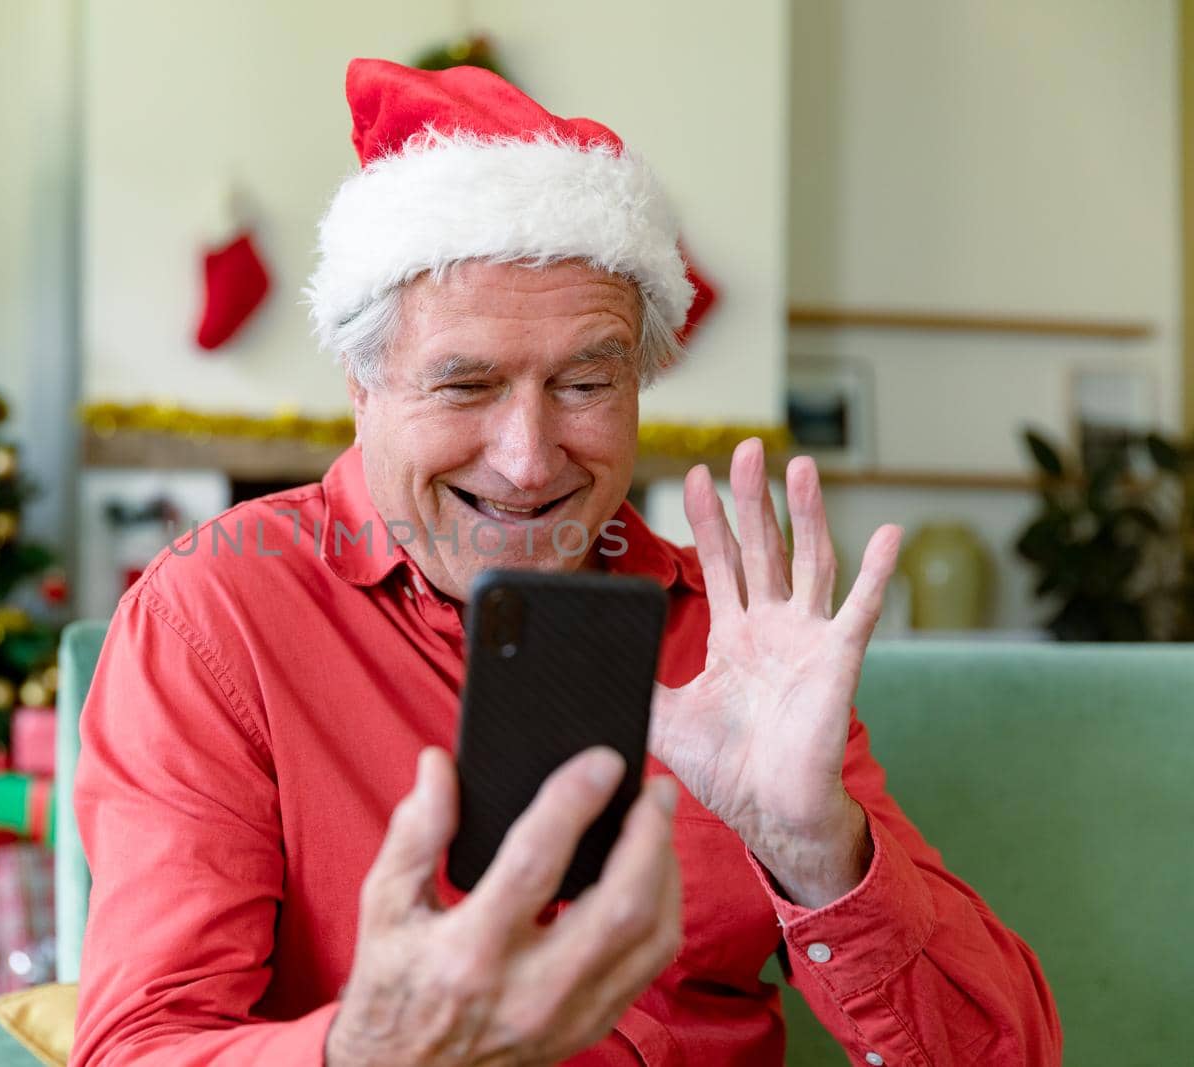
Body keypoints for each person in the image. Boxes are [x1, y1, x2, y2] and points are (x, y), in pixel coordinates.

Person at [72, 59, 1061, 1066]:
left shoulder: (736, 645)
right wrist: (371, 1049)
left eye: (586, 381)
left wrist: (816, 846)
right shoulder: (216, 615)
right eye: (465, 386)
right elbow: (141, 1047)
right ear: (362, 388)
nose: (528, 458)